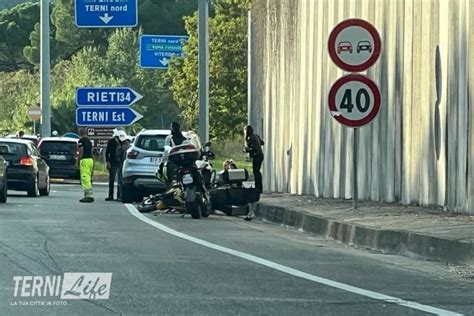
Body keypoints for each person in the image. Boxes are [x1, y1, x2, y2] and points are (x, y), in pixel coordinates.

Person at [244, 125, 264, 193]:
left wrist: (247, 150)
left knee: (256, 172)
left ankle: (257, 187)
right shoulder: (256, 136)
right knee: (257, 171)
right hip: (261, 155)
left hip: (256, 156)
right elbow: (262, 143)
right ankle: (259, 187)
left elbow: (252, 149)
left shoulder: (250, 138)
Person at [105, 129, 124, 201]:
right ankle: (110, 195)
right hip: (112, 162)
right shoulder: (111, 141)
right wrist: (107, 162)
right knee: (112, 180)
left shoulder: (123, 142)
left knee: (120, 180)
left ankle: (119, 196)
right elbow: (107, 152)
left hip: (120, 162)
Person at [77, 128, 94, 203]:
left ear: (80, 133)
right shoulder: (89, 141)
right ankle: (88, 194)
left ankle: (88, 195)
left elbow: (81, 151)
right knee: (88, 176)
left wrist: (78, 161)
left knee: (85, 177)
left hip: (84, 160)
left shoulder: (81, 141)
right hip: (90, 160)